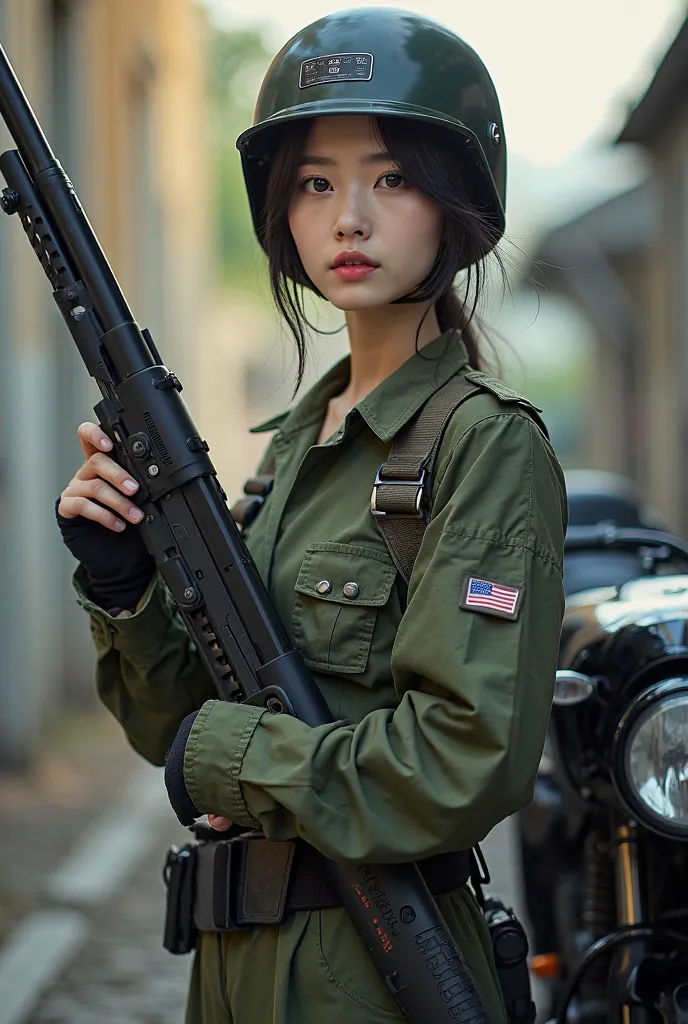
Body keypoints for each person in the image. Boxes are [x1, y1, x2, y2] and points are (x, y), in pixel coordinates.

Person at [56, 8, 567, 1023]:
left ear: (456, 199)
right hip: (233, 967)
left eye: (391, 176)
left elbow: (464, 760)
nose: (349, 219)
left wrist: (226, 755)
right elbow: (180, 722)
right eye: (314, 182)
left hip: (369, 973)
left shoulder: (483, 444)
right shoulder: (292, 446)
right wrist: (123, 582)